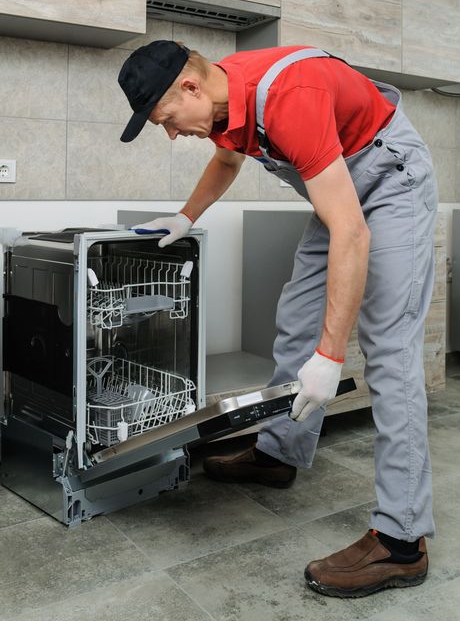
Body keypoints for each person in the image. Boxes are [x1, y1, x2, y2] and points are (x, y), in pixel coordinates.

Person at [118, 39, 437, 598]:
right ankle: (278, 454)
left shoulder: (288, 98)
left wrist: (331, 356)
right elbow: (226, 159)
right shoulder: (223, 101)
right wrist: (184, 216)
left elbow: (352, 233)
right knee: (295, 317)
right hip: (338, 184)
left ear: (190, 87)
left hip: (390, 180)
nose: (170, 134)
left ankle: (402, 541)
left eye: (166, 119)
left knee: (389, 352)